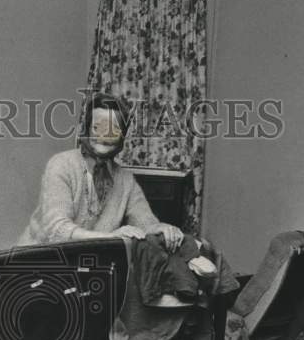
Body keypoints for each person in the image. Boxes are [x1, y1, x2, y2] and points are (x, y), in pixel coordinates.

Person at [17, 92, 183, 251]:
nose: (105, 135)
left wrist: (162, 228)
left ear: (122, 138)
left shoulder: (125, 180)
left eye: (114, 130)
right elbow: (57, 231)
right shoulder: (61, 165)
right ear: (86, 129)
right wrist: (110, 238)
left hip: (89, 265)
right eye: (97, 127)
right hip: (39, 261)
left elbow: (146, 223)